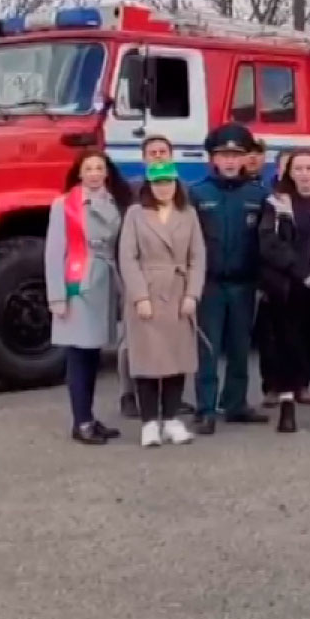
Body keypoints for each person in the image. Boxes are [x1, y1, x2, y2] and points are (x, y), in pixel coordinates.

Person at [44, 149, 133, 445]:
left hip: (105, 281)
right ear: (79, 173)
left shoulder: (114, 202)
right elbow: (55, 251)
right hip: (79, 284)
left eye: (99, 168)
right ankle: (81, 421)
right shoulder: (64, 205)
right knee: (79, 354)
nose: (94, 174)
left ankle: (88, 417)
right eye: (89, 168)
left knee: (93, 354)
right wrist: (56, 295)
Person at [188, 123, 271, 434]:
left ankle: (235, 404)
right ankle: (205, 409)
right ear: (213, 158)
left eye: (236, 155)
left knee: (240, 347)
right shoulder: (197, 193)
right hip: (209, 284)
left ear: (246, 159)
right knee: (207, 349)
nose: (230, 161)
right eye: (224, 155)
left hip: (245, 284)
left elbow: (267, 241)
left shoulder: (259, 195)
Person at [118, 160, 206, 447]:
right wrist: (140, 296)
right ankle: (148, 423)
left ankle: (170, 419)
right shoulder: (135, 214)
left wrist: (192, 294)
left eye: (168, 182)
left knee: (176, 360)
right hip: (148, 291)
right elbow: (127, 257)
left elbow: (198, 257)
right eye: (158, 183)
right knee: (147, 361)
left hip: (179, 292)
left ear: (176, 184)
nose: (163, 188)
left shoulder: (188, 214)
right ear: (149, 186)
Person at [257, 150, 310, 432]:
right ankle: (287, 410)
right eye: (299, 169)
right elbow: (269, 244)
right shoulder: (276, 204)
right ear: (289, 173)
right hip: (289, 288)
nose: (304, 174)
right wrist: (300, 271)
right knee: (287, 348)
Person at [119, 134, 178, 420]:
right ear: (143, 158)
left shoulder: (181, 191)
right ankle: (129, 395)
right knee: (132, 342)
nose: (158, 156)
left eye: (163, 151)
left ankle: (169, 401)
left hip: (170, 282)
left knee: (170, 339)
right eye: (152, 152)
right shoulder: (130, 191)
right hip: (138, 276)